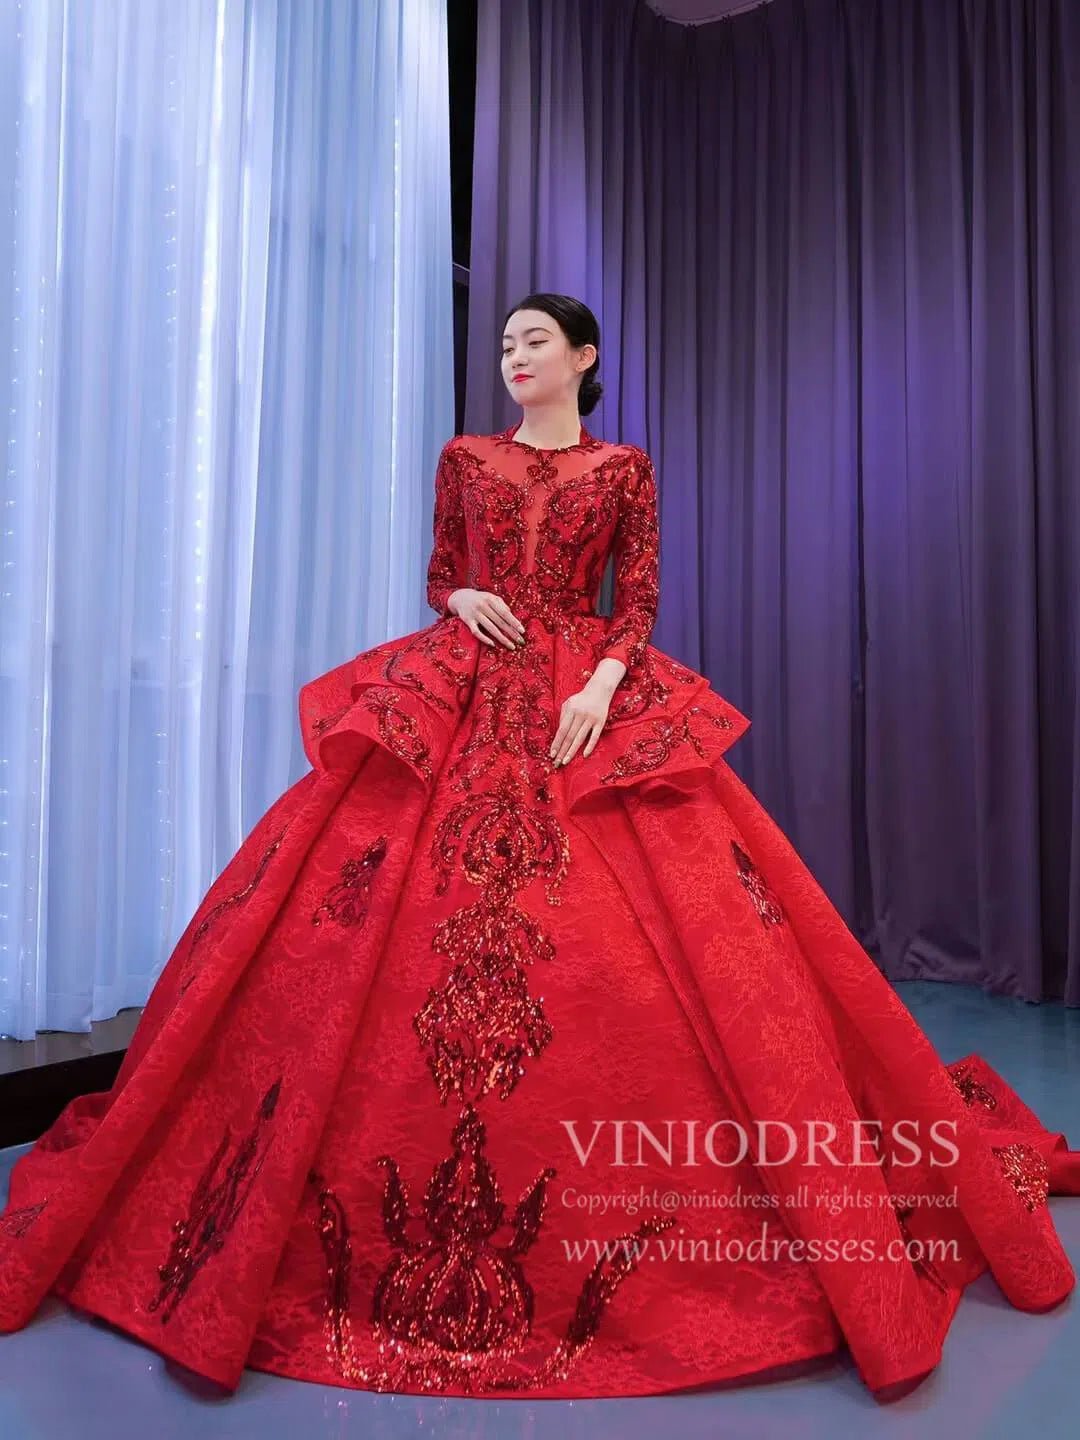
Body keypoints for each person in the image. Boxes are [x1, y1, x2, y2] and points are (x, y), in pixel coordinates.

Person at [0, 292, 1077, 1403]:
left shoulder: (625, 468)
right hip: (466, 684)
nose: (514, 356)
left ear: (582, 357)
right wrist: (462, 594)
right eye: (507, 342)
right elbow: (439, 573)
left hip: (581, 693)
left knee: (661, 943)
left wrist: (603, 687)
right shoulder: (466, 458)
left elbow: (637, 600)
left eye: (534, 342)